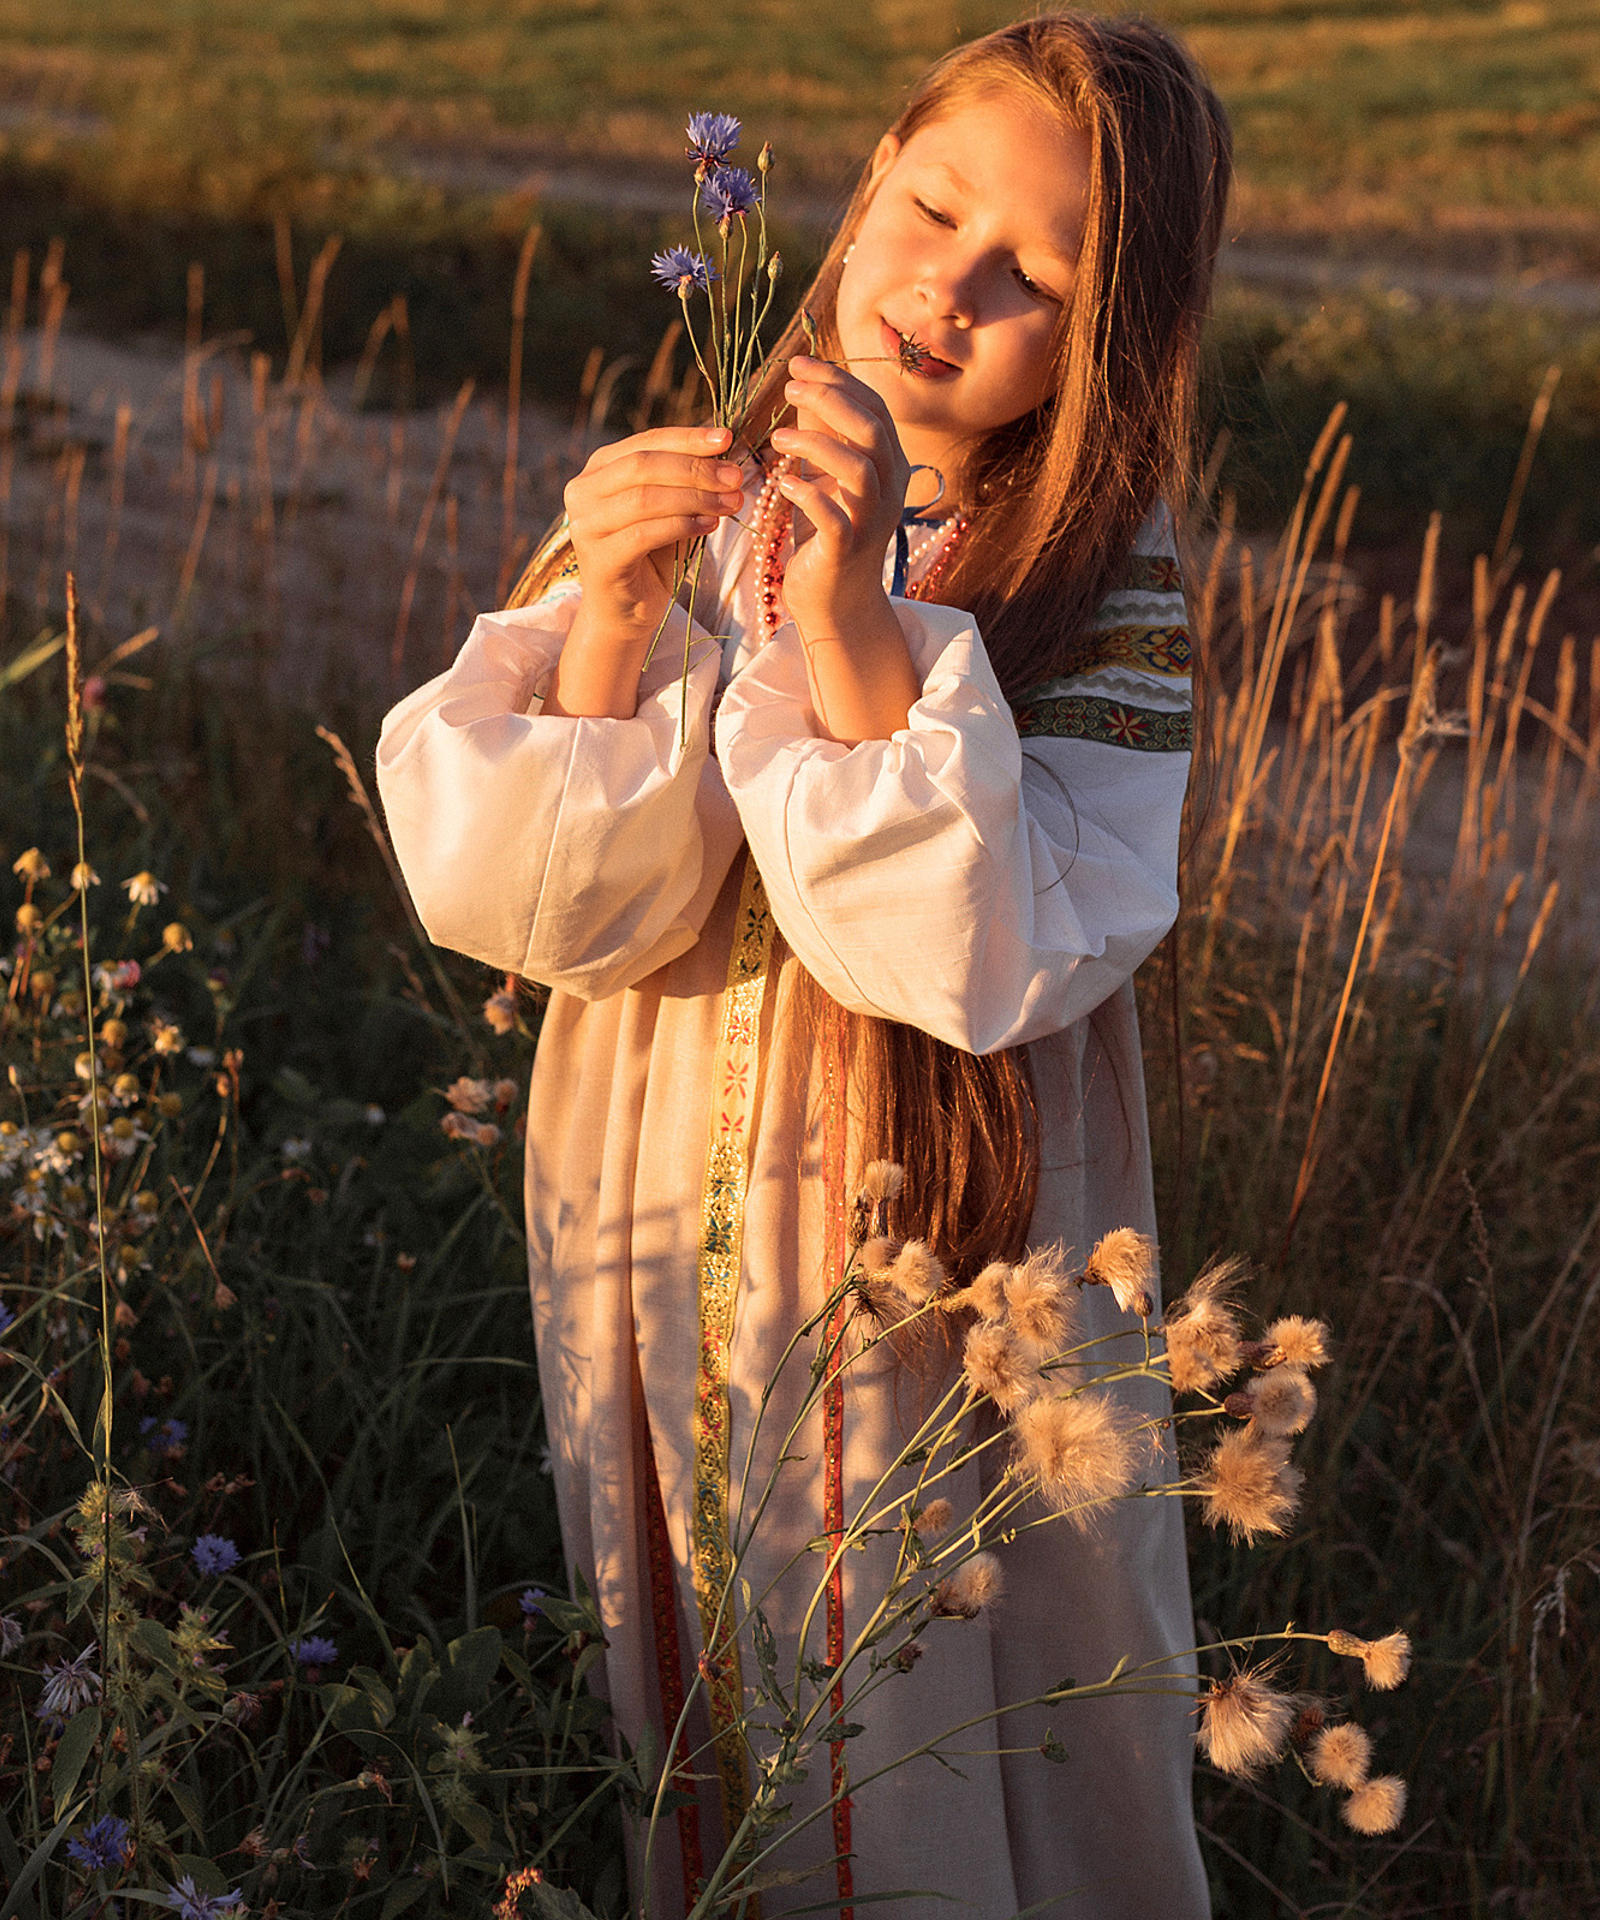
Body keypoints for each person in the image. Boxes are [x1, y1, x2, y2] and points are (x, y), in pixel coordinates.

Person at [378, 14, 1231, 1917]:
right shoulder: (728, 481)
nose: (952, 283)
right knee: (699, 1602)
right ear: (861, 192)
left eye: (1040, 279)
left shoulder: (1102, 567)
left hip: (944, 1213)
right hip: (671, 1154)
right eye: (932, 207)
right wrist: (603, 608)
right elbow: (572, 900)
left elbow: (980, 952)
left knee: (940, 1648)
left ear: (1111, 347)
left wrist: (855, 616)